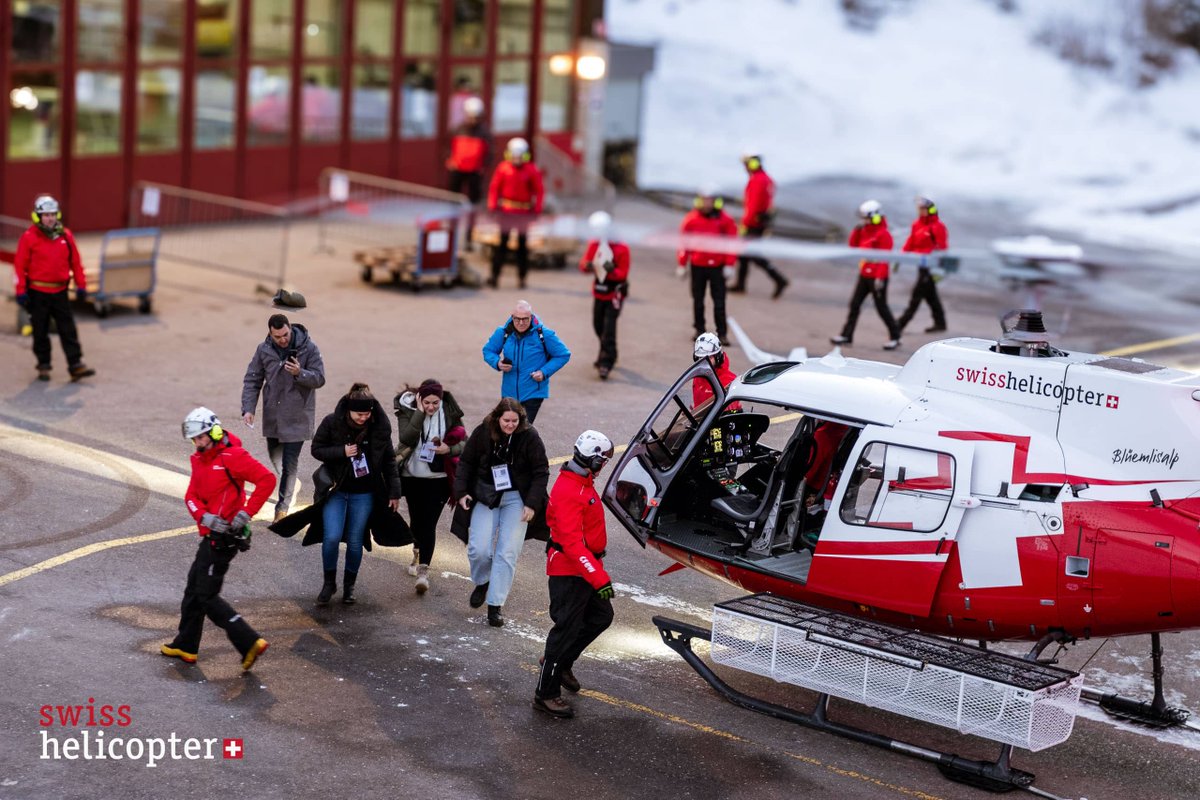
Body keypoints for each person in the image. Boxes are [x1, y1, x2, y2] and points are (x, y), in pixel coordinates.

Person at [161, 407, 275, 670]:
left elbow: (267, 480)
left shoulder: (233, 457)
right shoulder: (200, 459)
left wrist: (246, 513)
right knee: (193, 589)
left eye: (201, 437)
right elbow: (191, 496)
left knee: (206, 596)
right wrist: (204, 516)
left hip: (224, 539)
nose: (197, 443)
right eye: (194, 439)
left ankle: (249, 641)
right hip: (210, 534)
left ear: (214, 432)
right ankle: (186, 645)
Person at [533, 430, 616, 719]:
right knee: (565, 631)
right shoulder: (571, 491)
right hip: (571, 571)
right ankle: (545, 694)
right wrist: (599, 578)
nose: (604, 466)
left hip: (584, 568)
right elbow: (572, 545)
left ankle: (563, 661)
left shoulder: (581, 482)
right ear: (594, 461)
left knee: (601, 617)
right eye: (603, 460)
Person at [453, 398, 549, 627]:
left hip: (517, 498)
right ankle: (483, 581)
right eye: (506, 420)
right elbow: (466, 462)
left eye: (515, 421)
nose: (510, 425)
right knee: (478, 549)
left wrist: (532, 504)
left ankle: (495, 605)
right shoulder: (483, 431)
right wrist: (461, 492)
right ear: (497, 418)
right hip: (487, 494)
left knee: (507, 553)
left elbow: (541, 471)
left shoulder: (530, 436)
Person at [310, 383, 401, 605]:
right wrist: (341, 451)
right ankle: (329, 583)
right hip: (336, 490)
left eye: (367, 414)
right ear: (349, 410)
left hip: (364, 493)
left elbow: (389, 461)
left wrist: (394, 492)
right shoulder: (332, 422)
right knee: (331, 537)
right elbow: (316, 449)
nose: (363, 418)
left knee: (355, 541)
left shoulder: (378, 428)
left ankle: (349, 586)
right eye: (359, 414)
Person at [241, 313, 327, 522]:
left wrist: (300, 373)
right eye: (277, 336)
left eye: (285, 335)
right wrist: (248, 408)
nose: (282, 340)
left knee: (290, 463)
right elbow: (253, 379)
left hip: (298, 416)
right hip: (273, 416)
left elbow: (319, 378)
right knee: (276, 458)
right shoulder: (263, 349)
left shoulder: (309, 348)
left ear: (290, 328)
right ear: (270, 334)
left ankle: (282, 509)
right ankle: (291, 485)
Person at [394, 379, 467, 595]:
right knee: (416, 521)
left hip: (440, 478)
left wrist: (449, 450)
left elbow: (466, 442)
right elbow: (406, 438)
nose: (432, 407)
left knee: (429, 524)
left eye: (436, 403)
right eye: (427, 402)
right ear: (419, 399)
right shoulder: (407, 410)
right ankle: (417, 551)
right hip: (412, 476)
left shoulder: (450, 412)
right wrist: (419, 412)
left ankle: (423, 571)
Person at [14, 194, 95, 382]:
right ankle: (43, 365)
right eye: (46, 215)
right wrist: (20, 290)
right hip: (38, 293)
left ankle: (75, 365)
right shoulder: (29, 237)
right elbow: (20, 266)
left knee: (68, 329)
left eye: (52, 214)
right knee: (40, 330)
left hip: (60, 292)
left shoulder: (65, 235)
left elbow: (76, 262)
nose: (50, 219)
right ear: (38, 216)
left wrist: (81, 284)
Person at [481, 299, 570, 425]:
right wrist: (497, 363)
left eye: (525, 319)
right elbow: (488, 350)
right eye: (517, 319)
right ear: (512, 317)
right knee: (507, 427)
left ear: (531, 317)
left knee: (522, 428)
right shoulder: (503, 332)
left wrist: (543, 372)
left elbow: (563, 354)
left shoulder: (544, 334)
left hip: (533, 392)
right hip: (508, 393)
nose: (521, 323)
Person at [831, 200, 901, 351]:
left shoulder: (884, 234)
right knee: (855, 304)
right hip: (865, 274)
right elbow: (853, 246)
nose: (863, 221)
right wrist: (856, 231)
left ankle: (895, 336)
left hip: (877, 277)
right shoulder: (864, 230)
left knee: (881, 307)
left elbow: (884, 259)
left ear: (875, 217)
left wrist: (879, 278)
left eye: (866, 218)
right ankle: (846, 335)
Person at [678, 186, 738, 344]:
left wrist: (730, 264)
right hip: (698, 265)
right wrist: (682, 263)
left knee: (719, 302)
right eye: (704, 200)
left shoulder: (726, 220)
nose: (707, 203)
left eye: (710, 200)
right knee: (698, 300)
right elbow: (684, 242)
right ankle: (699, 330)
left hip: (717, 266)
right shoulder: (691, 219)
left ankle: (722, 333)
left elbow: (732, 243)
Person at [486, 137, 544, 289]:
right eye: (514, 155)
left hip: (523, 213)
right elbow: (494, 188)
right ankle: (494, 276)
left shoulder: (531, 170)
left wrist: (537, 209)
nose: (516, 159)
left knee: (522, 247)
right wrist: (492, 206)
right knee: (501, 245)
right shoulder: (503, 168)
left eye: (519, 156)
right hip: (506, 212)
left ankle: (522, 277)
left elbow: (539, 190)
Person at [578, 211, 630, 380]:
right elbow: (584, 264)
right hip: (599, 292)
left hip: (614, 294)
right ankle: (609, 353)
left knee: (609, 328)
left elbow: (623, 273)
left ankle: (606, 362)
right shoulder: (594, 244)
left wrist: (611, 270)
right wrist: (587, 266)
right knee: (598, 325)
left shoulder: (622, 248)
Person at [730, 152, 788, 299]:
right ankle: (740, 284)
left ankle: (779, 279)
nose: (745, 167)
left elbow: (753, 206)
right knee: (744, 254)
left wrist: (745, 223)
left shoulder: (757, 180)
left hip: (754, 223)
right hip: (761, 221)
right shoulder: (766, 179)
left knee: (753, 255)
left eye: (746, 164)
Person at [896, 195, 949, 335]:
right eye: (918, 208)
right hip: (921, 264)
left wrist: (940, 270)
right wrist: (899, 257)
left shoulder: (938, 227)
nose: (919, 211)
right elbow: (911, 241)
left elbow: (943, 249)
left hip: (931, 267)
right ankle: (940, 323)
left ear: (930, 210)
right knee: (931, 296)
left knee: (917, 295)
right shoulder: (917, 224)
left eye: (922, 208)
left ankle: (900, 324)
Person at [446, 96, 492, 249]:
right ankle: (450, 235)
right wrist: (450, 160)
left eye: (475, 117)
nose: (473, 120)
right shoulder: (458, 129)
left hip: (474, 173)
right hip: (457, 171)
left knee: (473, 207)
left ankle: (469, 239)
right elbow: (448, 147)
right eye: (470, 116)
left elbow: (490, 153)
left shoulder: (484, 133)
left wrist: (482, 168)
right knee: (453, 204)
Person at [692, 332, 739, 409]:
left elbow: (729, 411)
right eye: (700, 358)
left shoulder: (729, 381)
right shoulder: (697, 378)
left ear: (718, 357)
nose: (704, 362)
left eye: (709, 358)